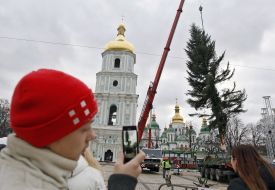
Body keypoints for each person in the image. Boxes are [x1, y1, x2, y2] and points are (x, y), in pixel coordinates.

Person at [0, 69, 145, 190]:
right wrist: (122, 182)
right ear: (54, 132)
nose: (93, 135)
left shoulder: (41, 172)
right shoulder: (26, 184)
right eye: (84, 129)